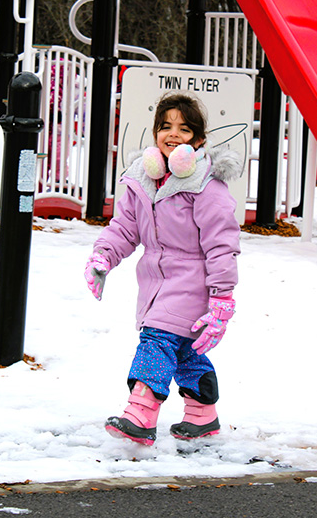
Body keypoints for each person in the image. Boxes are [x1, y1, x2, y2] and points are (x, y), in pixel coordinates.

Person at [83, 91, 241, 446]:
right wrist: (102, 258)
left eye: (184, 129)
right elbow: (125, 228)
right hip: (155, 283)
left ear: (198, 141)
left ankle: (140, 414)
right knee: (186, 350)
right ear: (155, 134)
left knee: (156, 342)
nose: (173, 134)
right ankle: (203, 416)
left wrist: (222, 298)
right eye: (165, 126)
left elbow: (222, 245)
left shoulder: (206, 186)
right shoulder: (142, 179)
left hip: (194, 283)